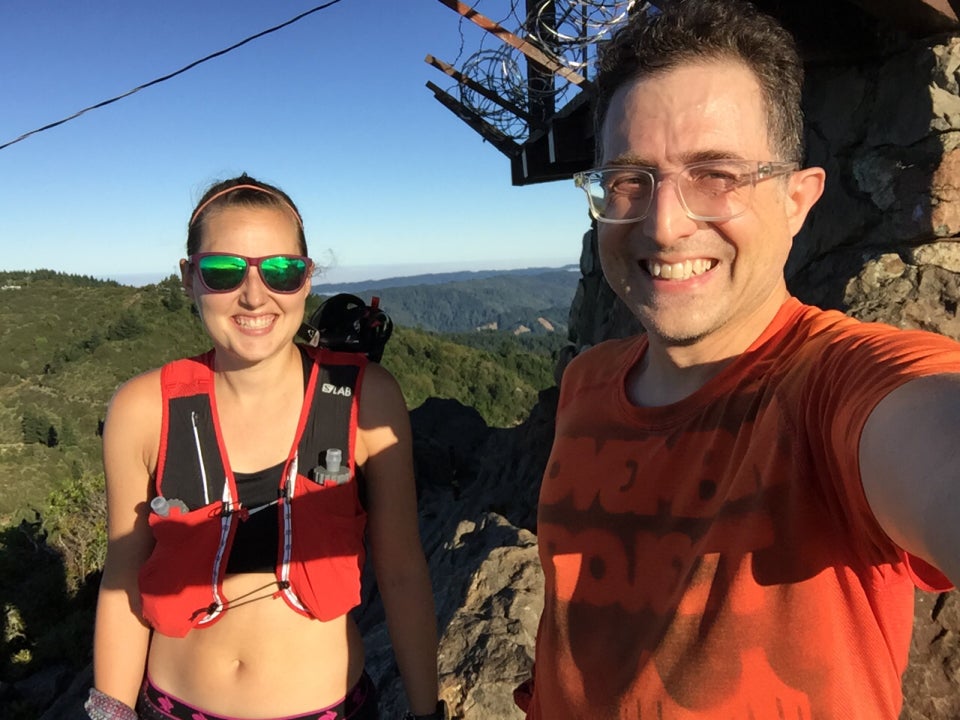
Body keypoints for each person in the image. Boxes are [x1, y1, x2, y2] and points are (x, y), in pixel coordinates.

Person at [518, 1, 960, 718]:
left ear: (797, 200)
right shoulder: (586, 382)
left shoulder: (836, 384)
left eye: (715, 175)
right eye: (630, 179)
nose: (664, 226)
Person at [87, 175, 445, 720]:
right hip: (174, 706)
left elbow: (401, 570)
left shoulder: (365, 401)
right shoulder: (144, 409)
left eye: (281, 270)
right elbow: (124, 571)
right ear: (189, 279)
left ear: (307, 280)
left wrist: (427, 712)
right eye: (225, 271)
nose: (255, 295)